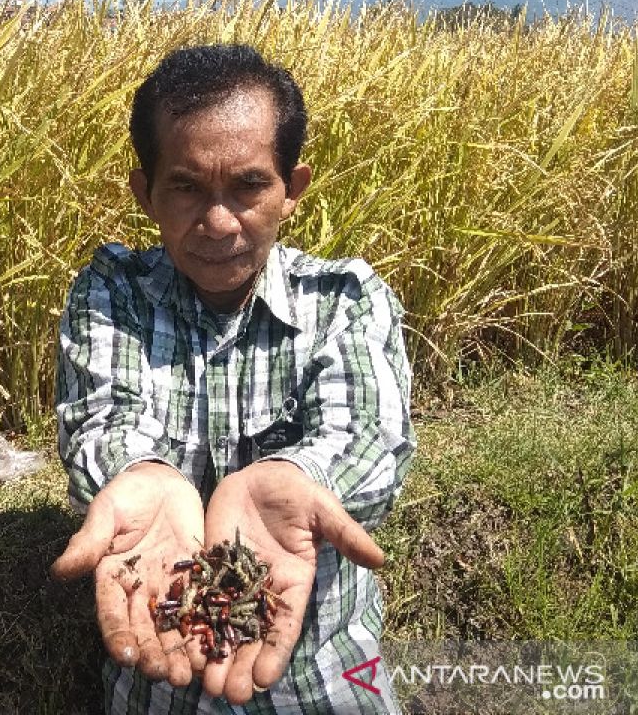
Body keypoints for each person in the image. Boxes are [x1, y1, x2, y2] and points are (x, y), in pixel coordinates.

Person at [50, 44, 414, 714]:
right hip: (159, 685)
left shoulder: (344, 300)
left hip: (325, 685)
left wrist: (296, 480)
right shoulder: (113, 295)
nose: (218, 223)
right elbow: (102, 423)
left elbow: (369, 435)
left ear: (291, 189)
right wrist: (141, 478)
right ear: (146, 192)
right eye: (186, 187)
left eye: (248, 186)